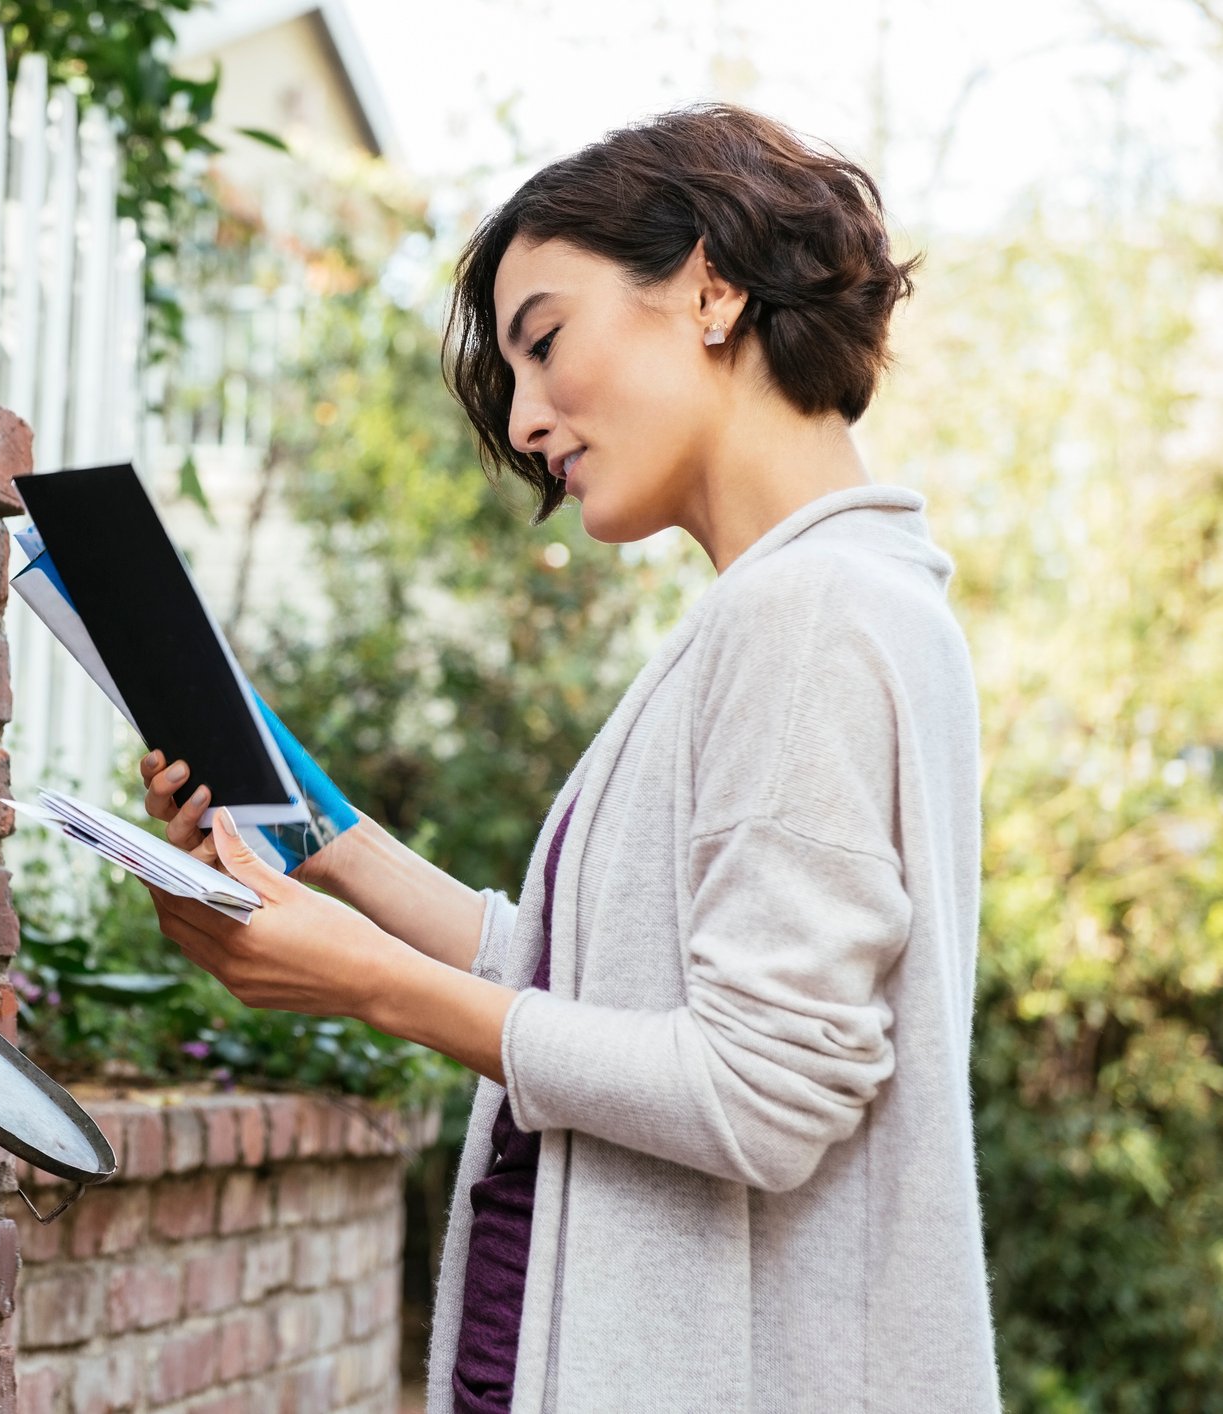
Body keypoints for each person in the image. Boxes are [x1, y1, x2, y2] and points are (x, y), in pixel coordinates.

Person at [132, 103, 1000, 1413]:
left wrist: (367, 984)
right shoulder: (807, 605)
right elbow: (596, 987)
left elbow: (760, 1091)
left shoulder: (809, 616)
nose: (527, 419)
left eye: (544, 342)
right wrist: (330, 844)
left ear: (708, 287)